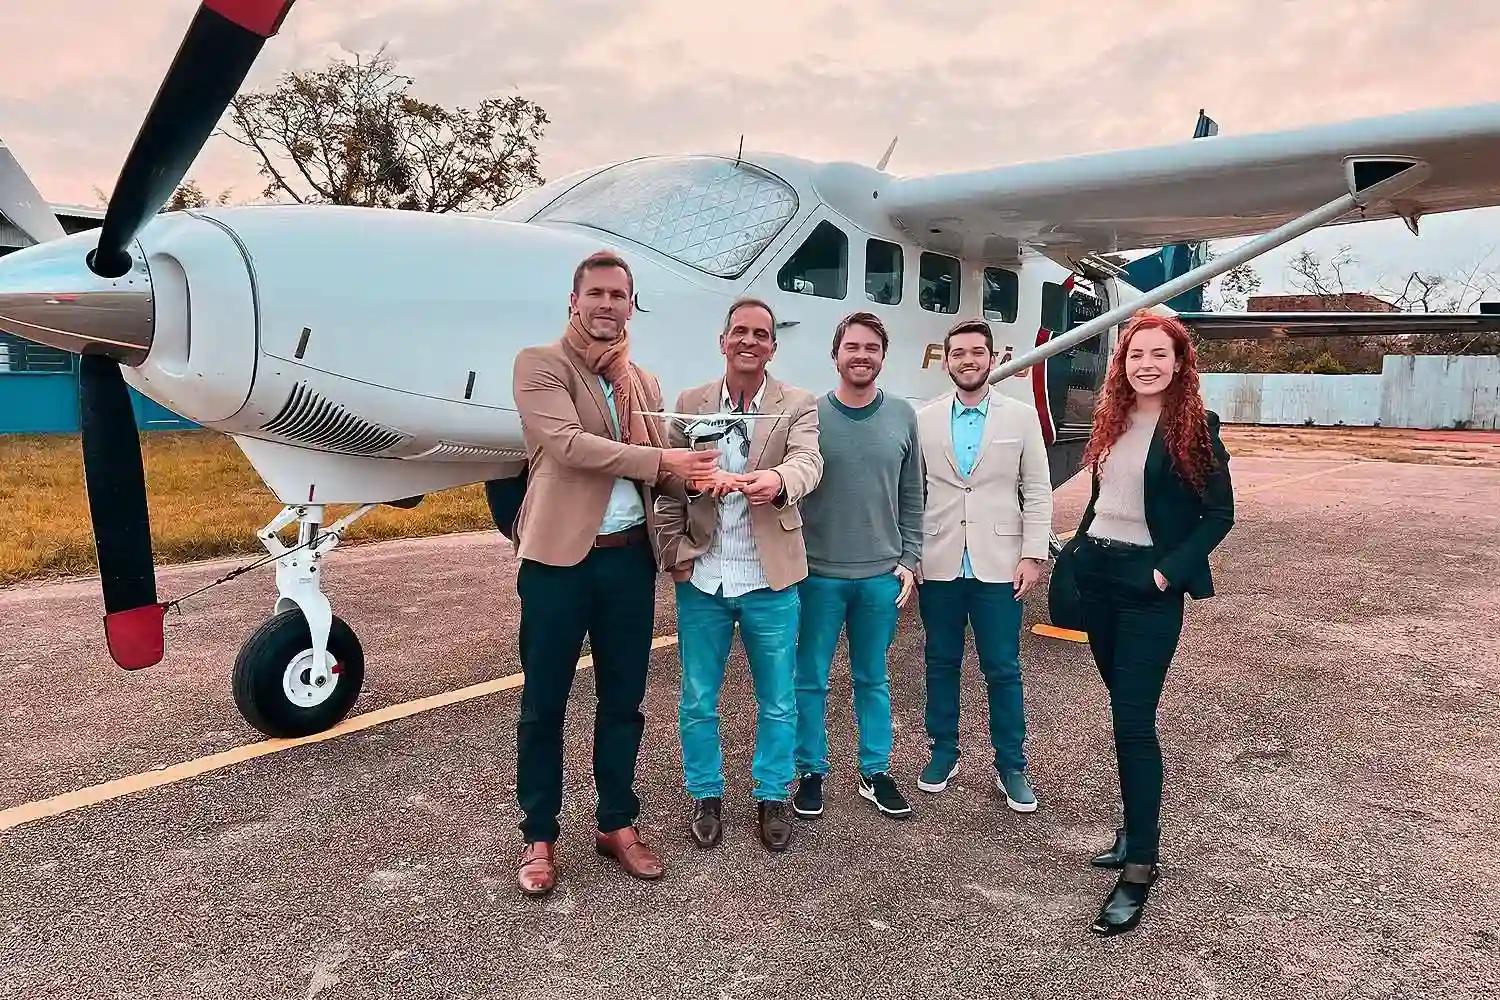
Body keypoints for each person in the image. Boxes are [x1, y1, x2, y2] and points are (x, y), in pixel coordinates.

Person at [508, 250, 721, 898]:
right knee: (544, 704)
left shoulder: (645, 383)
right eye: (595, 293)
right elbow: (571, 447)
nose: (606, 305)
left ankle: (616, 824)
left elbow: (667, 469)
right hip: (558, 561)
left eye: (618, 295)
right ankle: (539, 836)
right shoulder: (540, 366)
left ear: (631, 305)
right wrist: (665, 461)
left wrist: (709, 479)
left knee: (623, 703)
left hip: (628, 560)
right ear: (574, 301)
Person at [1060, 309, 1234, 936]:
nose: (1146, 365)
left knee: (1133, 724)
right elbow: (1105, 499)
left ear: (1180, 363)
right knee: (1121, 711)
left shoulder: (1196, 431)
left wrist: (1166, 573)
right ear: (1123, 364)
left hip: (1147, 587)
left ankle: (1139, 865)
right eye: (1136, 355)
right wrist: (1075, 552)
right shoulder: (1114, 420)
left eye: (1159, 354)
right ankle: (1135, 829)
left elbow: (1219, 515)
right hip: (1099, 576)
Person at [656, 297, 823, 853]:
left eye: (761, 334)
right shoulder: (689, 403)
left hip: (768, 578)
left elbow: (808, 463)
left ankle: (771, 794)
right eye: (740, 332)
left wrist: (776, 480)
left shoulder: (797, 403)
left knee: (778, 699)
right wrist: (673, 551)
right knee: (698, 698)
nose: (749, 341)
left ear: (773, 347)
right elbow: (668, 485)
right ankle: (705, 794)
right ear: (722, 340)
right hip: (703, 576)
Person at [913, 318, 1052, 812]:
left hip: (1000, 563)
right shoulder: (925, 419)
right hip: (941, 560)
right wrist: (913, 557)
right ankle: (943, 752)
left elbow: (1036, 489)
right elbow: (916, 495)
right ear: (945, 360)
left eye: (977, 352)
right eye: (958, 353)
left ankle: (1011, 766)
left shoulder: (1019, 417)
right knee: (939, 663)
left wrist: (1034, 554)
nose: (968, 360)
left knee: (1003, 668)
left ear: (991, 359)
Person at [793, 311, 923, 821]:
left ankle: (874, 770)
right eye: (852, 346)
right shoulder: (810, 416)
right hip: (818, 575)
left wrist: (910, 559)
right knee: (811, 678)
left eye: (871, 347)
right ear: (835, 354)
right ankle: (811, 771)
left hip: (879, 578)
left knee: (873, 677)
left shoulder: (903, 417)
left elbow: (913, 496)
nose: (861, 355)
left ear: (882, 357)